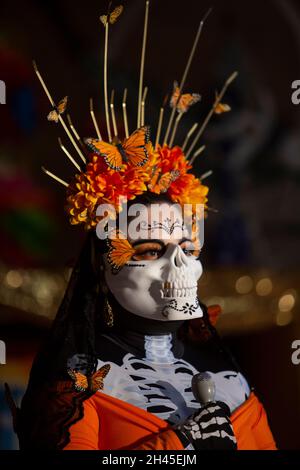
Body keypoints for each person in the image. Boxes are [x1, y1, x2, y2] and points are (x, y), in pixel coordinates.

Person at [5, 2, 276, 451]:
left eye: (189, 248)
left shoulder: (233, 384)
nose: (179, 266)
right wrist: (177, 445)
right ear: (104, 268)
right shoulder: (76, 389)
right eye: (150, 251)